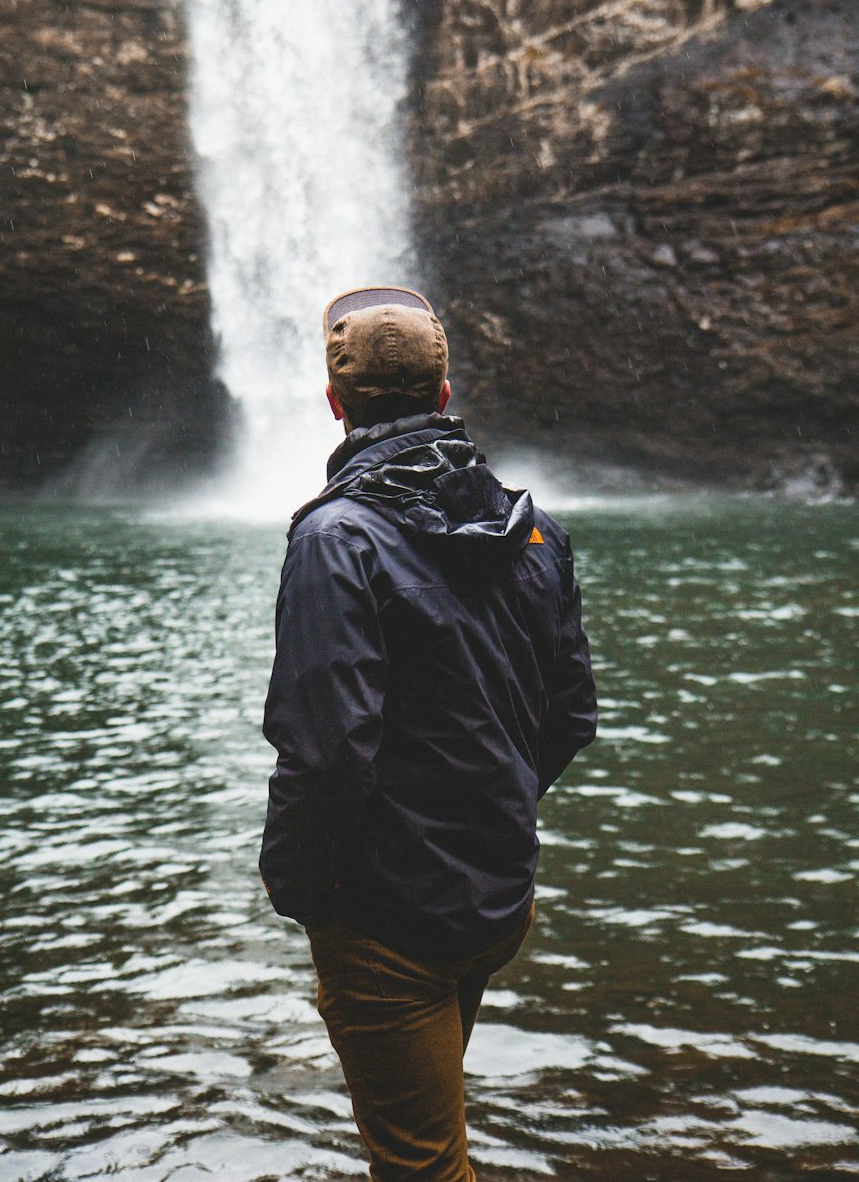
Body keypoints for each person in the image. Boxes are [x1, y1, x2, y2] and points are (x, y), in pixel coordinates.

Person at [259, 285, 597, 1182]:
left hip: (388, 918)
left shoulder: (336, 539)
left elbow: (326, 748)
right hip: (495, 896)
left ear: (336, 403)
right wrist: (489, 814)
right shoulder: (538, 534)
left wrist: (302, 890)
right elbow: (571, 715)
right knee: (435, 1139)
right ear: (447, 395)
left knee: (420, 1167)